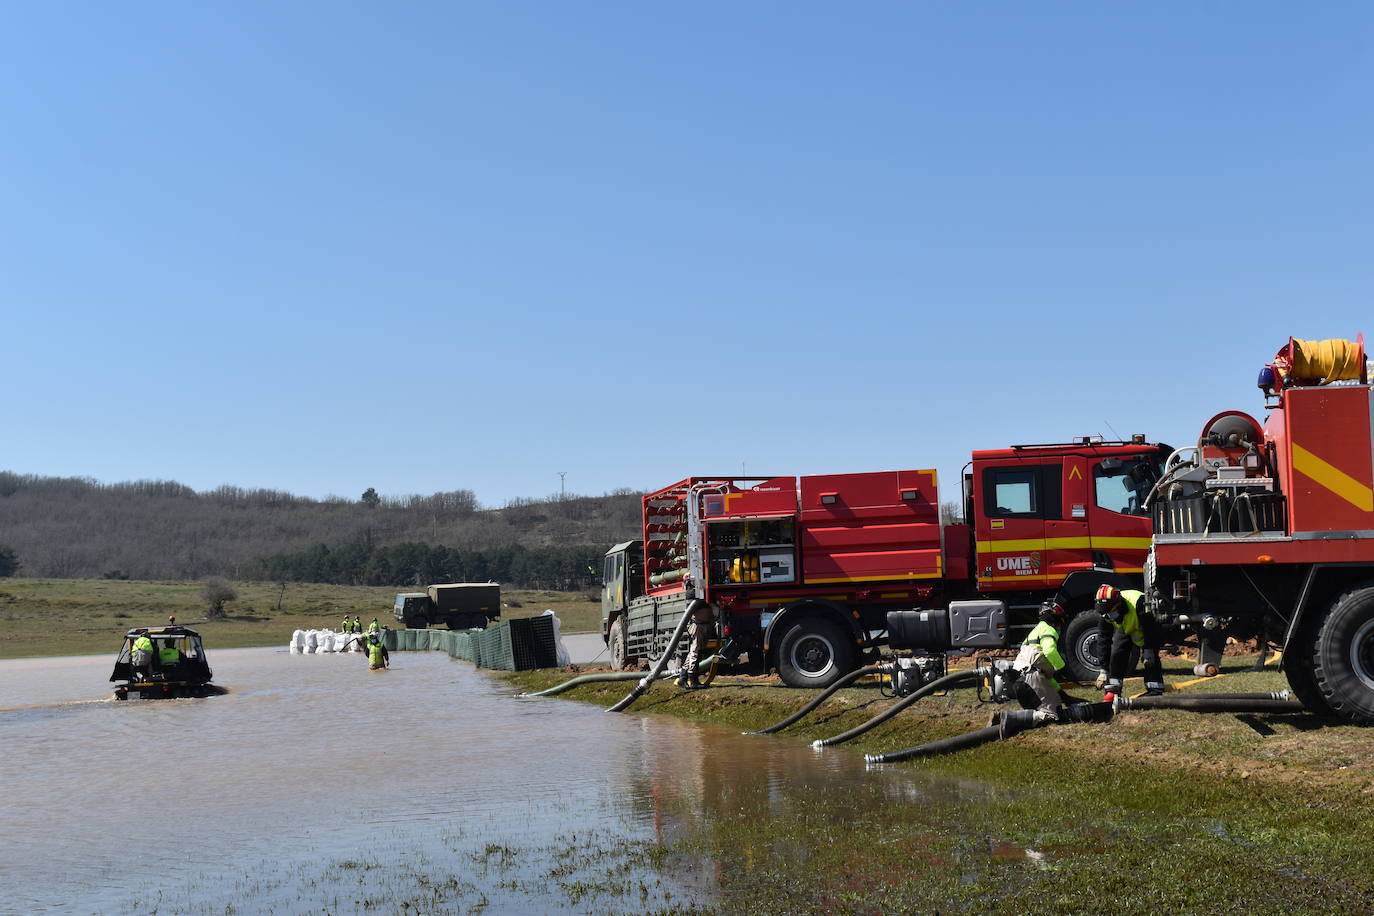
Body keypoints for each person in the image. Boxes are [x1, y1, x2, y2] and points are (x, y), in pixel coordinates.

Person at [1094, 585, 1166, 696]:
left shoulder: (1139, 603)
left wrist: (1148, 649)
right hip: (1126, 628)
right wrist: (1103, 669)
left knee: (1150, 660)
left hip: (1148, 627)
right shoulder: (1105, 611)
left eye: (1111, 611)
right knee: (1117, 653)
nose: (1110, 615)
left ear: (1118, 604)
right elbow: (1103, 639)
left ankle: (1155, 689)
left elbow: (1150, 628)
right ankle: (1114, 688)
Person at [1012, 601, 1068, 720]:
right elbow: (1049, 651)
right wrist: (1062, 668)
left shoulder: (1035, 631)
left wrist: (1063, 695)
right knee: (1054, 715)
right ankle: (1008, 718)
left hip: (1020, 682)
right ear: (1055, 619)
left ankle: (1014, 718)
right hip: (1031, 681)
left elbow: (1045, 676)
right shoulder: (1049, 629)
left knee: (1049, 709)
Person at [676, 601, 715, 689]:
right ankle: (693, 680)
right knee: (695, 652)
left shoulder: (700, 597)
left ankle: (683, 678)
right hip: (698, 626)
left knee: (693, 652)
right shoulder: (694, 596)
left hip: (703, 625)